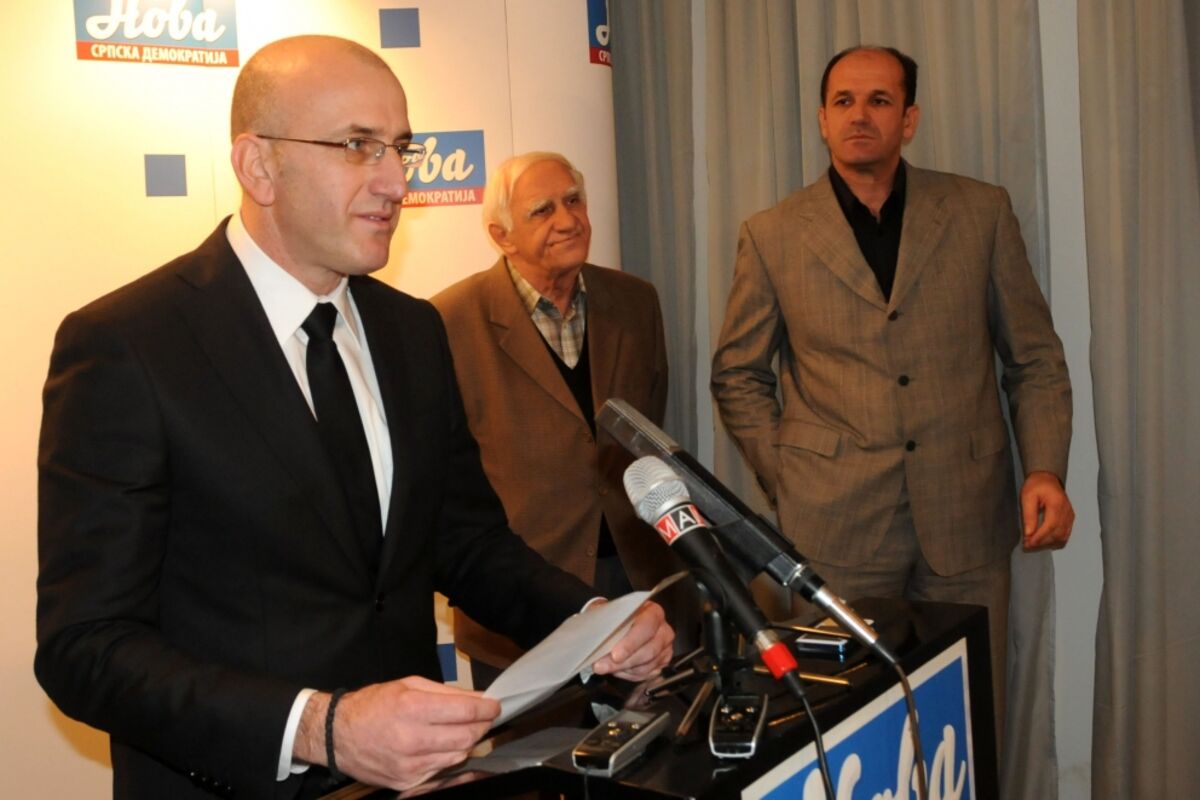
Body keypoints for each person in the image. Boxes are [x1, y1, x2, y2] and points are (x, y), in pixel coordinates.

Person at [35, 35, 673, 799]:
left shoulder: (412, 330)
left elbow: (464, 542)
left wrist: (593, 620)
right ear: (258, 166)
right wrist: (319, 727)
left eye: (401, 148)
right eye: (357, 146)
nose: (398, 182)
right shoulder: (129, 344)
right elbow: (85, 646)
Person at [710, 45, 1074, 731]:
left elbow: (1034, 358)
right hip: (834, 531)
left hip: (966, 518)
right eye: (844, 101)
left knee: (967, 720)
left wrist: (1046, 469)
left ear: (909, 119)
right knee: (844, 726)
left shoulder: (980, 212)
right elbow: (737, 374)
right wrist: (792, 475)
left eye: (879, 100)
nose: (860, 115)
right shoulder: (772, 235)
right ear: (822, 119)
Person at [432, 152, 684, 687]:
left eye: (573, 201)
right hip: (521, 599)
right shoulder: (447, 321)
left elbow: (647, 424)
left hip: (638, 582)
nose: (568, 220)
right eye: (543, 210)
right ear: (501, 235)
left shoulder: (636, 301)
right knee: (543, 742)